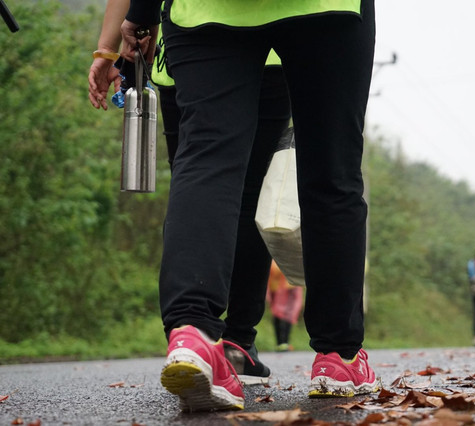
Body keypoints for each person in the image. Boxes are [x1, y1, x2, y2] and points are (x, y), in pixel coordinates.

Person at [119, 0, 379, 411]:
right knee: (332, 172)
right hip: (324, 9)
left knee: (207, 160)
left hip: (207, 9)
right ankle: (339, 357)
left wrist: (142, 11)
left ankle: (194, 334)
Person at [88, 0, 292, 388]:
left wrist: (108, 47)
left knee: (198, 176)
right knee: (250, 192)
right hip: (271, 50)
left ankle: (192, 334)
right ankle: (236, 342)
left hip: (183, 42)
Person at [267, 260, 304, 352]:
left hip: (289, 288)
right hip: (278, 289)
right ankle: (281, 343)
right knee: (279, 314)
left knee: (287, 315)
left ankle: (284, 342)